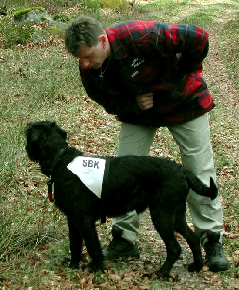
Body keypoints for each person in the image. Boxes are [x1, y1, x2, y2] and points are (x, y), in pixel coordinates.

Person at [64, 15, 230, 272]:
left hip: (183, 102)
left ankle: (211, 238)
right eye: (80, 59)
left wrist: (184, 69)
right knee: (121, 172)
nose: (85, 63)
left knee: (199, 169)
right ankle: (125, 239)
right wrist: (133, 105)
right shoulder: (88, 67)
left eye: (88, 56)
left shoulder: (140, 34)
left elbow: (199, 37)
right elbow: (104, 100)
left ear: (102, 40)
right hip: (140, 111)